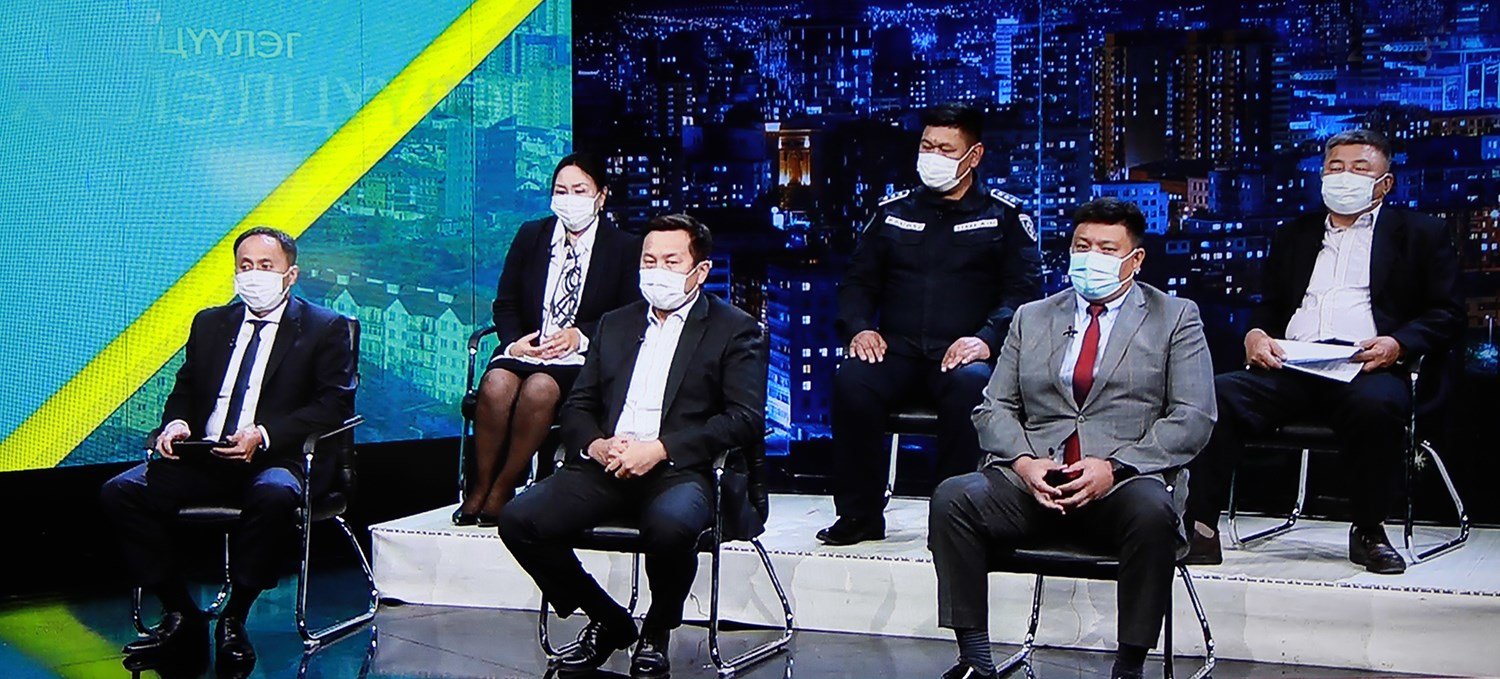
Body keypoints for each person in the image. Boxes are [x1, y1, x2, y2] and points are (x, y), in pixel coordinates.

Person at [928, 198, 1216, 679]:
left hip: (1123, 485)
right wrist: (1024, 463)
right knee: (954, 498)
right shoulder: (1032, 316)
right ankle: (975, 660)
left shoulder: (1174, 317)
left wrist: (1114, 468)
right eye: (1082, 246)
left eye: (1107, 248)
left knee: (1152, 511)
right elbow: (992, 407)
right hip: (1032, 485)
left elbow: (1194, 416)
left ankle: (1129, 666)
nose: (1091, 257)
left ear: (1135, 259)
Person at [1183, 129, 1463, 574]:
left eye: (1359, 168)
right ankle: (1199, 528)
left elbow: (1447, 312)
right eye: (1336, 167)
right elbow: (1271, 306)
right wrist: (1255, 334)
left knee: (1376, 408)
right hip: (1293, 364)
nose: (1344, 176)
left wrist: (1397, 345)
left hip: (1366, 367)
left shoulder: (1421, 233)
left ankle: (1369, 531)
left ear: (1385, 183)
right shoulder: (1294, 233)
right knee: (1218, 395)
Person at [498, 214, 766, 678]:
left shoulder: (734, 329)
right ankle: (608, 619)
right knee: (519, 520)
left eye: (671, 262)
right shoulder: (615, 324)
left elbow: (744, 419)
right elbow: (578, 405)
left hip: (681, 468)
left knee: (671, 526)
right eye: (649, 261)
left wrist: (661, 448)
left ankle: (657, 630)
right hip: (607, 464)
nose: (657, 271)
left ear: (700, 270)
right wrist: (597, 444)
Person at [100, 227, 355, 673]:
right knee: (121, 492)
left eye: (266, 266)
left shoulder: (325, 327)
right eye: (245, 266)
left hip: (276, 457)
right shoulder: (210, 323)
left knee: (274, 494)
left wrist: (264, 434)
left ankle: (234, 617)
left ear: (290, 274)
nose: (253, 275)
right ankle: (182, 613)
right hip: (207, 455)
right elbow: (185, 390)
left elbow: (334, 404)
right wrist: (176, 423)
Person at [819, 102, 1042, 546]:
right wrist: (860, 327)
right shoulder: (892, 212)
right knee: (852, 381)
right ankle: (859, 515)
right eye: (927, 146)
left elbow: (1023, 294)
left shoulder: (1004, 216)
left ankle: (953, 519)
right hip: (896, 350)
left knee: (971, 387)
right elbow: (858, 282)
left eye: (946, 149)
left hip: (964, 353)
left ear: (974, 156)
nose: (933, 156)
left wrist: (986, 339)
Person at [454, 154, 642, 527]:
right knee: (496, 383)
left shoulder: (623, 247)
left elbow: (628, 315)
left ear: (601, 196)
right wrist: (514, 343)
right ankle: (480, 486)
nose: (569, 199)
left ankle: (504, 488)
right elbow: (505, 302)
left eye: (580, 190)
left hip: (581, 358)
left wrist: (580, 335)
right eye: (561, 190)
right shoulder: (531, 236)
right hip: (526, 347)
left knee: (539, 389)